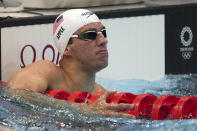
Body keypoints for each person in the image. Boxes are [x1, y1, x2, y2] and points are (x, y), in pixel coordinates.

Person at [6, 9, 134, 118]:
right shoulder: (46, 71)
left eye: (103, 33)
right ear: (67, 48)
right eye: (90, 35)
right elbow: (15, 95)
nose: (103, 40)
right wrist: (82, 110)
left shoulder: (101, 94)